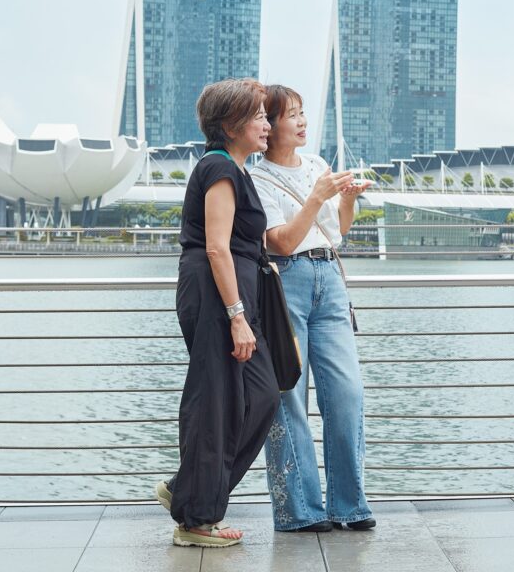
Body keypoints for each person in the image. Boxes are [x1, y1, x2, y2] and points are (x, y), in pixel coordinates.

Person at [155, 78, 280, 548]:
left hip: (233, 296)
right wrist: (236, 315)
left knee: (262, 395)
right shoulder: (219, 168)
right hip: (216, 295)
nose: (267, 125)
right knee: (216, 402)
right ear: (230, 125)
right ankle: (197, 520)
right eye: (258, 117)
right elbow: (216, 247)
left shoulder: (236, 169)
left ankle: (188, 490)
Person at [250, 85, 375, 532]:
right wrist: (317, 197)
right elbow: (281, 241)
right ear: (270, 125)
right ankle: (299, 511)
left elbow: (336, 231)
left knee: (347, 392)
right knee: (289, 395)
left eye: (303, 113)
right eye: (292, 115)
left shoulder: (318, 165)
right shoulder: (256, 178)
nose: (302, 122)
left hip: (330, 277)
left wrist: (347, 199)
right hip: (287, 282)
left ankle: (349, 505)